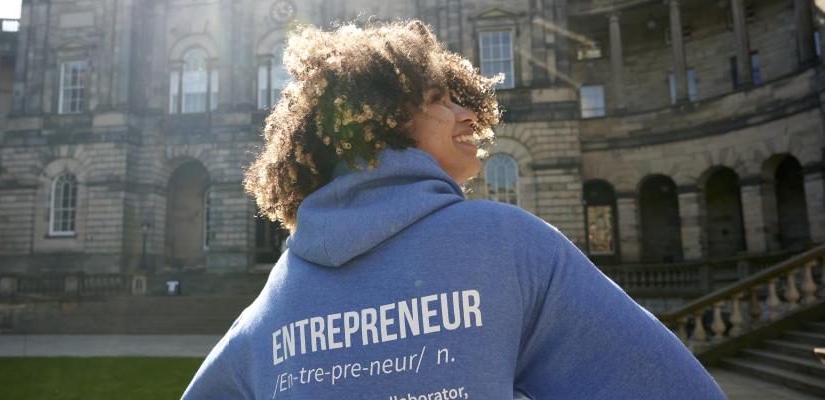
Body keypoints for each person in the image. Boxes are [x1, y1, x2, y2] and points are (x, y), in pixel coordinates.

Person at [181, 20, 727, 400]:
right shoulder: (507, 244)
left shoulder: (270, 306)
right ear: (382, 116)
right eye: (443, 97)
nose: (471, 113)